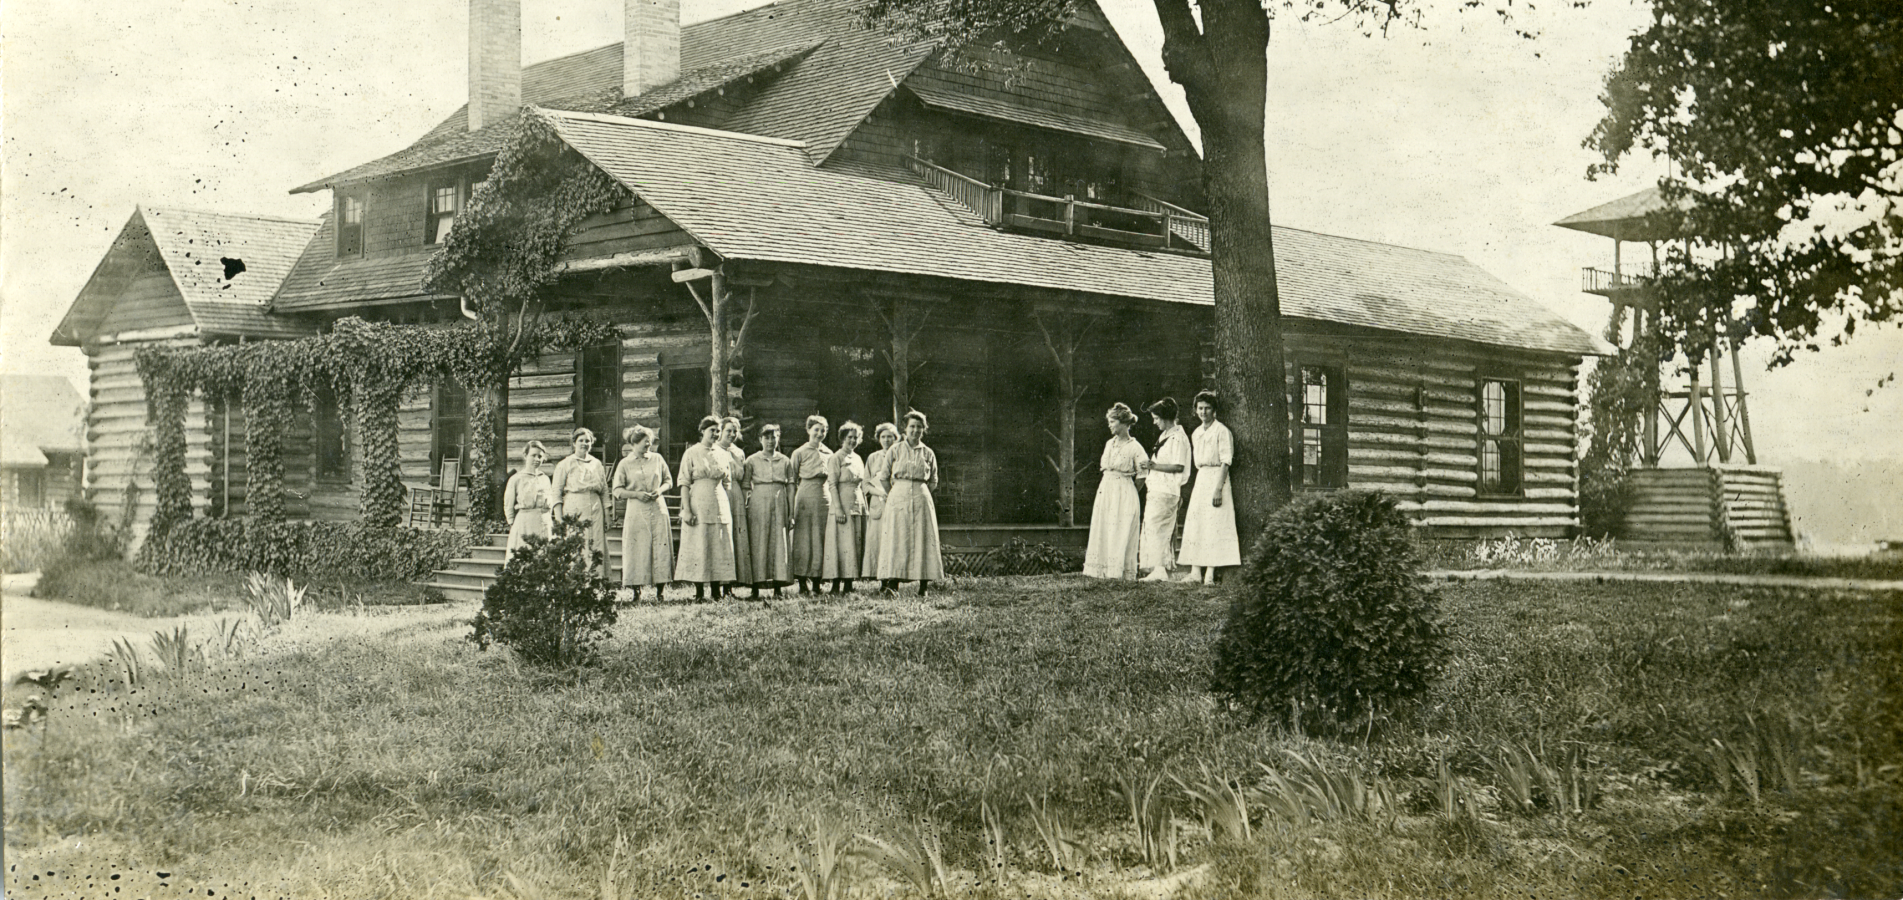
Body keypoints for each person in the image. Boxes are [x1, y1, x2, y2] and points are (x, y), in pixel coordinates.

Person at [876, 410, 943, 596]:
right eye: (912, 426)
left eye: (919, 427)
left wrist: (921, 494)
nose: (915, 430)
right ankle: (893, 584)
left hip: (921, 497)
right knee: (897, 538)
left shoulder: (928, 452)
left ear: (924, 429)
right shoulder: (895, 450)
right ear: (905, 429)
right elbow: (884, 477)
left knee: (923, 538)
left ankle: (923, 586)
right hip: (898, 496)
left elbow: (934, 480)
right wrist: (896, 493)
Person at [1178, 390, 1240, 584]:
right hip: (1202, 478)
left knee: (1215, 524)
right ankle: (1195, 571)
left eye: (1207, 408)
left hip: (1217, 477)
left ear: (1214, 410)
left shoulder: (1222, 431)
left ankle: (1210, 573)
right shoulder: (1196, 433)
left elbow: (1226, 461)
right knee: (1198, 523)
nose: (1203, 412)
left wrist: (1218, 489)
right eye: (1200, 408)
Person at [673, 415, 736, 600]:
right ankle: (699, 591)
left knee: (718, 544)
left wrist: (725, 503)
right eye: (712, 430)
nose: (715, 434)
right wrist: (686, 510)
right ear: (702, 431)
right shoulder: (691, 453)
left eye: (718, 431)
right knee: (700, 543)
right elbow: (684, 483)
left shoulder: (723, 454)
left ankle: (716, 591)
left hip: (719, 501)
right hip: (698, 502)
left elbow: (727, 482)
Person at [1083, 403, 1148, 579]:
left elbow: (1143, 474)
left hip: (1124, 491)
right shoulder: (1108, 444)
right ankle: (1101, 570)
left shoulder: (1135, 447)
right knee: (1104, 526)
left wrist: (1128, 492)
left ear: (1124, 422)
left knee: (1119, 529)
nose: (1109, 425)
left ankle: (1117, 571)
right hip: (1106, 489)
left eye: (1112, 421)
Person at [612, 425, 673, 601]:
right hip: (636, 509)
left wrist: (659, 490)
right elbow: (617, 490)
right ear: (634, 443)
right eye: (645, 443)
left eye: (650, 442)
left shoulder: (658, 459)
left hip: (658, 507)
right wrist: (637, 494)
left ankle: (660, 590)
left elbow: (668, 481)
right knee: (637, 548)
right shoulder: (625, 464)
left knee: (660, 546)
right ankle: (636, 591)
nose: (648, 446)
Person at [1137, 397, 1191, 581]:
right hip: (1158, 488)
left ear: (1166, 417)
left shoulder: (1178, 438)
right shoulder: (1166, 436)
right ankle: (1157, 568)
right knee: (1153, 527)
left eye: (1156, 418)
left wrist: (1153, 466)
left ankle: (1160, 569)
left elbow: (1178, 466)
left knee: (1158, 528)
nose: (1154, 422)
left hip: (1167, 489)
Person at [550, 427, 611, 580]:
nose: (584, 443)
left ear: (592, 443)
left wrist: (607, 515)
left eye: (587, 441)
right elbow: (556, 492)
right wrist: (559, 519)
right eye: (581, 440)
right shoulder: (565, 464)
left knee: (596, 543)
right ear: (574, 443)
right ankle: (576, 581)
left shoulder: (596, 464)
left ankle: (596, 581)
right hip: (574, 507)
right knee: (577, 543)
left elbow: (604, 490)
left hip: (595, 508)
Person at [742, 424, 796, 597]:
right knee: (758, 540)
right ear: (760, 439)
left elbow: (791, 486)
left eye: (774, 437)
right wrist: (746, 506)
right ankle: (755, 588)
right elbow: (745, 486)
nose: (770, 441)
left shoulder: (785, 461)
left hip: (779, 501)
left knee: (779, 541)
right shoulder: (751, 460)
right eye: (767, 437)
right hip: (758, 501)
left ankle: (778, 587)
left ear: (778, 439)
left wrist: (791, 512)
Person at [821, 421, 868, 594]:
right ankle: (835, 584)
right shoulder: (836, 458)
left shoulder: (858, 458)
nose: (853, 441)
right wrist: (838, 509)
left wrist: (864, 507)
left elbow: (861, 484)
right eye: (850, 437)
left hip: (857, 503)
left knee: (853, 543)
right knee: (839, 544)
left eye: (856, 438)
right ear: (843, 438)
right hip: (841, 504)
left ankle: (849, 584)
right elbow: (832, 485)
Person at [789, 414, 833, 593]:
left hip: (823, 498)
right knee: (804, 539)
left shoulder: (829, 453)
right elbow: (792, 480)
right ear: (808, 430)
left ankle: (817, 582)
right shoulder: (799, 453)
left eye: (823, 430)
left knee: (820, 538)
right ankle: (802, 582)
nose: (820, 434)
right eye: (816, 430)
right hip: (805, 496)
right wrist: (793, 505)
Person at [718, 416, 754, 596]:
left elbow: (745, 479)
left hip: (737, 495)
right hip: (720, 493)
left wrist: (746, 496)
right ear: (721, 431)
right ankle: (718, 583)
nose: (732, 434)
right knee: (722, 537)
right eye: (728, 431)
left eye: (735, 431)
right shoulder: (714, 449)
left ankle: (730, 586)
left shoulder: (739, 453)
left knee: (736, 536)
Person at [501, 441, 553, 563]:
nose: (537, 459)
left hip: (543, 523)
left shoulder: (545, 478)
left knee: (542, 557)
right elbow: (508, 503)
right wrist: (512, 522)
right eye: (533, 455)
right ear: (525, 455)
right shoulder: (516, 478)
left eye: (540, 456)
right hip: (524, 522)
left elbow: (550, 501)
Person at [859, 422, 899, 581]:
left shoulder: (899, 455)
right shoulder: (873, 457)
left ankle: (893, 577)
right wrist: (881, 493)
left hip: (896, 501)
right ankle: (880, 578)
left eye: (890, 437)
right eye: (883, 437)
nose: (886, 440)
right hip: (878, 503)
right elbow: (865, 484)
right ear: (878, 439)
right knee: (878, 540)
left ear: (895, 438)